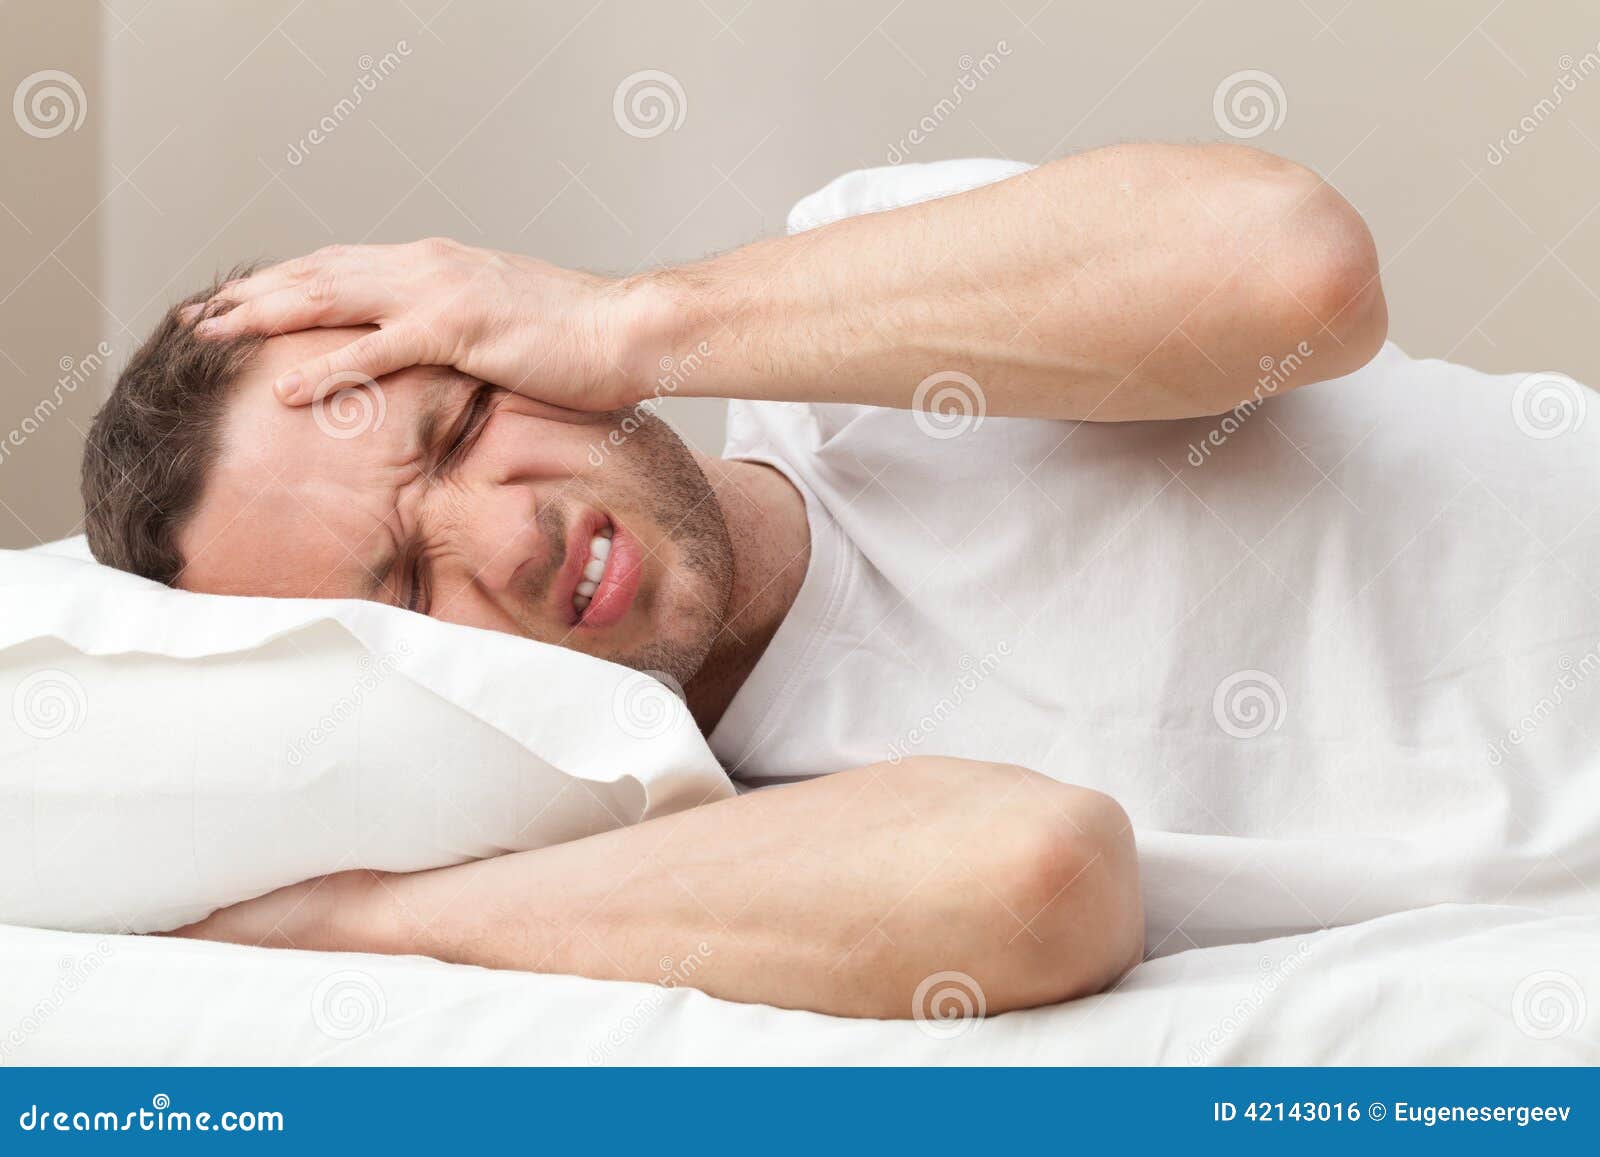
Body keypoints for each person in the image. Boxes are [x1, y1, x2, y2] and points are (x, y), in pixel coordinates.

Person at [85, 143, 1475, 1016]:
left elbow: (1302, 274)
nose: (508, 542)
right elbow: (1042, 878)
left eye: (458, 427)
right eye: (400, 592)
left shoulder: (858, 311)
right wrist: (360, 920)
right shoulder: (684, 844)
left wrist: (628, 317)